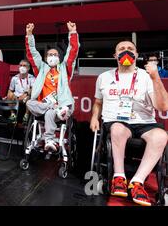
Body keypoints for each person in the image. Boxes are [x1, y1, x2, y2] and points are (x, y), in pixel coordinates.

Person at [90, 41, 168, 206]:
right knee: (118, 128)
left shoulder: (147, 77)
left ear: (137, 55)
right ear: (115, 55)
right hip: (116, 121)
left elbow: (163, 106)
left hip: (144, 122)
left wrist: (156, 78)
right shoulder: (103, 77)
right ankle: (119, 177)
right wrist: (94, 117)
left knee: (161, 136)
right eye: (122, 49)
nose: (126, 52)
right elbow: (98, 102)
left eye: (130, 49)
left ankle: (137, 183)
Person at [25, 22, 79, 152]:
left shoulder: (65, 69)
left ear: (59, 58)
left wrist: (72, 33)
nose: (53, 56)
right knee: (29, 103)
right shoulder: (41, 69)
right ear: (46, 58)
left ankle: (49, 140)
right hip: (47, 106)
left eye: (55, 55)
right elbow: (32, 53)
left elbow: (72, 52)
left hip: (63, 107)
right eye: (50, 54)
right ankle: (54, 108)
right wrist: (29, 35)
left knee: (50, 113)